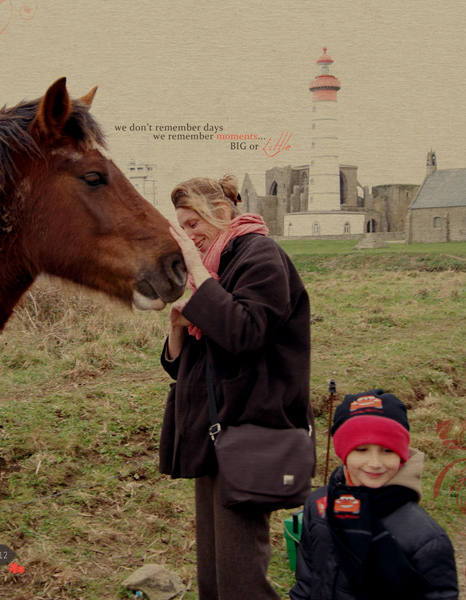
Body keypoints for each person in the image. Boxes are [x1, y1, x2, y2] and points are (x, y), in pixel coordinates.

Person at [159, 174, 312, 600]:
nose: (188, 237)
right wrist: (177, 331)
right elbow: (189, 367)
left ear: (223, 213)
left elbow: (246, 332)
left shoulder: (259, 255)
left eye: (194, 225)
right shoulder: (215, 269)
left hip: (249, 429)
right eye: (182, 227)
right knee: (214, 568)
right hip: (214, 429)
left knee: (240, 574)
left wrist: (197, 278)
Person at [290, 389, 459, 600]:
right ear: (343, 452)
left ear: (402, 455)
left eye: (387, 450)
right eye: (361, 449)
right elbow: (306, 584)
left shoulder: (427, 538)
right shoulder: (318, 506)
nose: (375, 463)